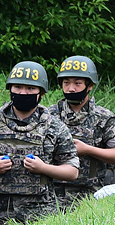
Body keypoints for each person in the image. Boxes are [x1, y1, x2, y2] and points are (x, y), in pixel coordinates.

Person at [0, 62, 79, 225]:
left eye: (30, 88)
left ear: (41, 93)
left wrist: (43, 168)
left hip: (41, 217)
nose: (23, 92)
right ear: (10, 89)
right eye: (18, 87)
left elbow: (72, 171)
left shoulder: (54, 127)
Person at [49, 55, 115, 208]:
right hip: (51, 193)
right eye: (66, 83)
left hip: (90, 194)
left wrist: (88, 149)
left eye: (78, 83)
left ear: (90, 85)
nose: (71, 88)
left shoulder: (104, 118)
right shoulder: (49, 115)